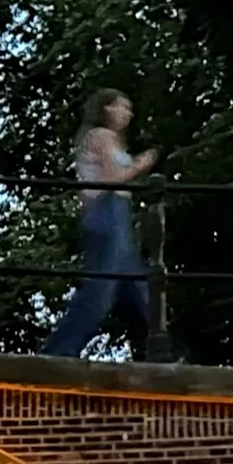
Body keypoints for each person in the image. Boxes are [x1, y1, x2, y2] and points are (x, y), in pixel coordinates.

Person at [43, 88, 158, 360]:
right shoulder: (101, 137)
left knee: (139, 290)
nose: (128, 113)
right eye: (123, 106)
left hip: (115, 213)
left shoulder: (108, 139)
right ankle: (60, 350)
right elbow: (112, 178)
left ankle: (161, 350)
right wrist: (142, 164)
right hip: (108, 212)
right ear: (107, 108)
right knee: (102, 289)